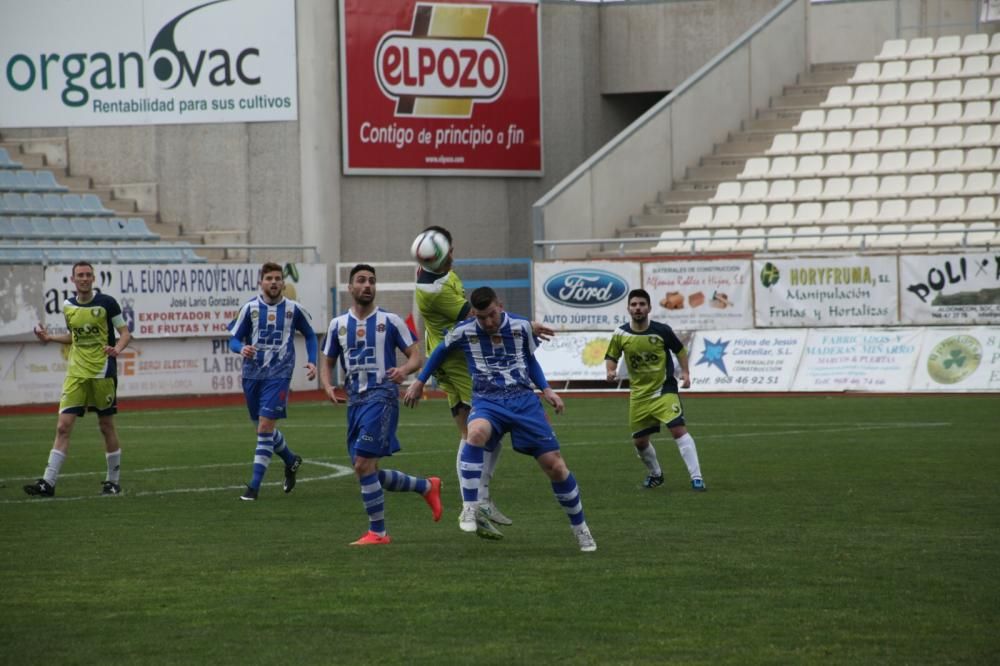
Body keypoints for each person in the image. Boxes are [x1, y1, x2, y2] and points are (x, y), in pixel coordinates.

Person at [404, 286, 596, 553]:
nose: (488, 322)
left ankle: (581, 528)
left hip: (523, 402)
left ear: (500, 306)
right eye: (482, 318)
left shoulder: (521, 327)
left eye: (492, 315)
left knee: (556, 467)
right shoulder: (465, 330)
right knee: (475, 434)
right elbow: (438, 352)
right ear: (474, 314)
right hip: (487, 401)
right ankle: (470, 508)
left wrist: (548, 390)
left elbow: (530, 361)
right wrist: (420, 381)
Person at [322, 263, 443, 546]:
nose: (367, 285)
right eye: (361, 281)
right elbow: (327, 360)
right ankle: (426, 486)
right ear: (350, 288)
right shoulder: (337, 325)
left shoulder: (389, 321)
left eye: (372, 281)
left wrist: (404, 371)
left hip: (382, 397)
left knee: (364, 464)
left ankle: (377, 533)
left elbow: (416, 356)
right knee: (366, 469)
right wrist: (328, 386)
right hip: (355, 402)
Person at [24, 261, 131, 497]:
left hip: (102, 372)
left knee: (105, 426)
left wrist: (118, 349)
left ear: (93, 279)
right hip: (76, 373)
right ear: (73, 280)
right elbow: (74, 336)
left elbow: (124, 333)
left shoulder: (106, 303)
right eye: (80, 275)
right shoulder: (68, 306)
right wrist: (50, 338)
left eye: (88, 275)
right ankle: (48, 483)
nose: (84, 278)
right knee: (63, 426)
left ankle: (112, 482)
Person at [229, 262, 318, 501]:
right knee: (262, 428)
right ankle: (291, 460)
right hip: (252, 375)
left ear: (283, 283)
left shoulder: (294, 309)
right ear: (261, 282)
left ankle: (254, 487)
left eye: (278, 278)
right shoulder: (249, 309)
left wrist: (312, 360)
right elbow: (233, 340)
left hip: (279, 374)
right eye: (269, 278)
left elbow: (310, 335)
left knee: (265, 427)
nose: (274, 282)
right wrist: (242, 348)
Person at [604, 289, 707, 491]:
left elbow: (679, 350)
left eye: (642, 304)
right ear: (628, 308)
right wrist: (610, 370)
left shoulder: (662, 331)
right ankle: (656, 474)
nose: (638, 308)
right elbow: (612, 355)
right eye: (634, 305)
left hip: (664, 389)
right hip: (639, 395)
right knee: (640, 442)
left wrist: (686, 373)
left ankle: (697, 478)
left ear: (649, 308)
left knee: (678, 429)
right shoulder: (621, 334)